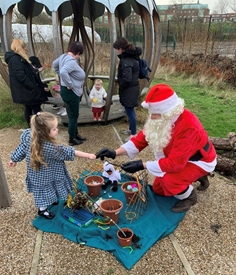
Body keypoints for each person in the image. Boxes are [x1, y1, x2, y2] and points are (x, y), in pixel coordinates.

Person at [96, 83, 217, 213]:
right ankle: (197, 177)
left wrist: (141, 165)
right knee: (159, 189)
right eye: (151, 113)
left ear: (169, 112)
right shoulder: (161, 118)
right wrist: (115, 152)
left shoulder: (189, 127)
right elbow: (141, 139)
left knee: (169, 182)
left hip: (199, 160)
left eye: (155, 114)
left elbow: (175, 164)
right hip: (179, 158)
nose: (152, 117)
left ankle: (190, 196)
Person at [9, 112, 96, 219]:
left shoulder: (29, 135)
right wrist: (88, 155)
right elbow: (70, 152)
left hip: (37, 174)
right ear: (44, 132)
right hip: (50, 173)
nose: (57, 130)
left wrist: (14, 159)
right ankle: (42, 210)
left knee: (45, 189)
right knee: (45, 191)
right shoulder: (50, 147)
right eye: (54, 129)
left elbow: (21, 149)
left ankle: (50, 200)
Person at [4, 38, 50, 127]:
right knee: (36, 110)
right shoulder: (15, 59)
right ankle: (39, 130)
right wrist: (31, 86)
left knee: (29, 109)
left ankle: (32, 129)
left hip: (27, 91)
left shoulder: (18, 58)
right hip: (27, 91)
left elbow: (26, 72)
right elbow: (20, 75)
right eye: (24, 47)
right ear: (20, 47)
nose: (26, 49)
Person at [52, 41, 86, 146]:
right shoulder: (71, 61)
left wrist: (63, 78)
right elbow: (63, 72)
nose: (79, 56)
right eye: (80, 54)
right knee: (73, 116)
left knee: (73, 114)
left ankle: (76, 134)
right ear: (78, 53)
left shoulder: (63, 57)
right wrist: (69, 83)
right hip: (71, 92)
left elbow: (54, 65)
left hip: (68, 91)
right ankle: (72, 139)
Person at [113, 37, 142, 142]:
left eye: (117, 49)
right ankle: (131, 129)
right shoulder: (131, 58)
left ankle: (133, 134)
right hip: (132, 88)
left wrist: (121, 86)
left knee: (130, 112)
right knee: (130, 111)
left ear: (121, 49)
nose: (116, 51)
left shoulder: (126, 61)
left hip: (129, 90)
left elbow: (127, 78)